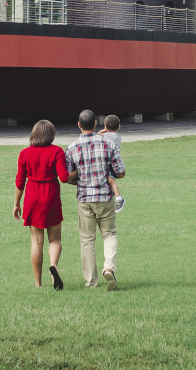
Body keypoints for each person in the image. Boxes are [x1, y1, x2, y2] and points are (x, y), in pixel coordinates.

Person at [65, 109, 126, 290]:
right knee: (109, 234)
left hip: (84, 198)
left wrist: (82, 178)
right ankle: (109, 266)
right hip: (105, 197)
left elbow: (67, 177)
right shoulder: (108, 144)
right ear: (95, 124)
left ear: (78, 125)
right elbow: (121, 171)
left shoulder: (72, 148)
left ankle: (91, 281)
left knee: (87, 240)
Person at [14, 119, 72, 289]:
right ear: (52, 135)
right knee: (55, 239)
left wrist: (17, 204)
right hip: (51, 196)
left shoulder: (24, 153)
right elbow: (64, 177)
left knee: (36, 242)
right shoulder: (57, 151)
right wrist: (77, 173)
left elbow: (19, 181)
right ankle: (53, 265)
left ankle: (38, 283)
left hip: (32, 196)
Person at [99, 114, 125, 213]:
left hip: (111, 162)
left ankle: (119, 198)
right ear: (119, 127)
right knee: (110, 180)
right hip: (115, 161)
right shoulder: (117, 136)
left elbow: (98, 133)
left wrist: (105, 129)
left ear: (106, 127)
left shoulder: (108, 135)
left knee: (110, 180)